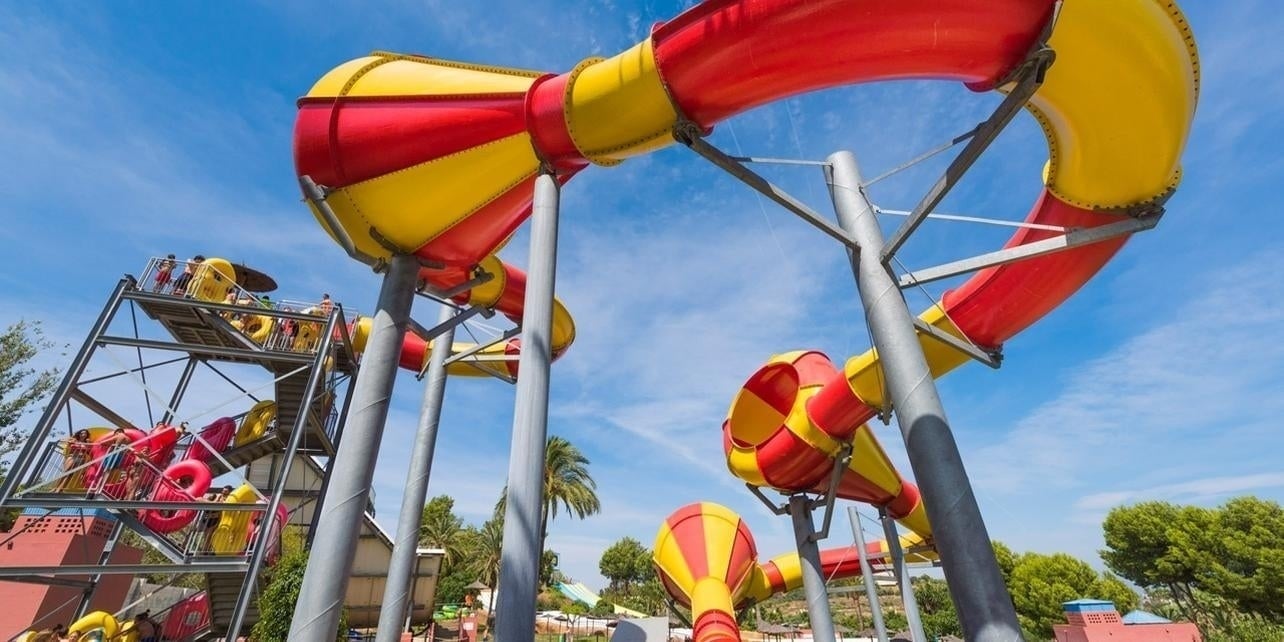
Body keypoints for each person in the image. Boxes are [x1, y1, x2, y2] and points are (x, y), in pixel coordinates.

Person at [93, 428, 131, 497]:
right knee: (113, 471)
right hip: (121, 456)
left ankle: (100, 488)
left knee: (107, 471)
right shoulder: (128, 439)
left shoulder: (119, 435)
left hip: (114, 454)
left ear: (117, 432)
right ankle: (105, 489)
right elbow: (128, 449)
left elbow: (102, 442)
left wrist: (111, 444)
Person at [200, 485, 234, 552]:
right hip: (207, 517)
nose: (223, 493)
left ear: (229, 492)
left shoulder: (228, 500)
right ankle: (205, 550)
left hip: (215, 520)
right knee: (201, 534)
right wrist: (218, 498)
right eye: (223, 491)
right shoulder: (216, 496)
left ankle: (205, 551)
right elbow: (211, 504)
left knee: (208, 537)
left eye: (225, 491)